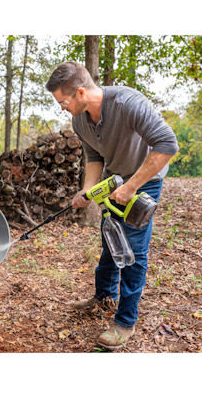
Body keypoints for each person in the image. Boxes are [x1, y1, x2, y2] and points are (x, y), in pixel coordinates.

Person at [46, 62, 179, 350]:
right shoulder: (80, 120)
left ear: (81, 92)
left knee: (134, 251)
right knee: (111, 239)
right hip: (115, 179)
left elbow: (167, 144)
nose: (62, 108)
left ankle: (125, 322)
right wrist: (87, 190)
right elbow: (94, 156)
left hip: (144, 181)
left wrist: (131, 187)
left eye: (63, 102)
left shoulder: (129, 103)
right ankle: (104, 294)